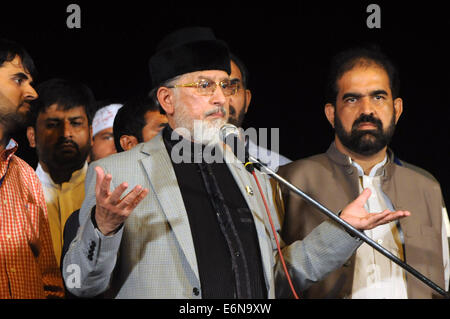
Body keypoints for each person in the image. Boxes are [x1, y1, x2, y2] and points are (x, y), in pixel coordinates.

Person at [62, 27, 409, 299]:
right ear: (167, 99)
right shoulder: (120, 171)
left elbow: (277, 277)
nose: (220, 98)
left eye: (226, 86)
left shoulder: (249, 172)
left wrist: (343, 230)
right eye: (204, 86)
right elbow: (81, 284)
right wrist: (103, 228)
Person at [279, 46, 450, 299]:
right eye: (352, 99)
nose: (367, 110)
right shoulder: (290, 180)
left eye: (379, 97)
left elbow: (444, 278)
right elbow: (268, 279)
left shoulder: (426, 186)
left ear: (397, 109)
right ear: (331, 113)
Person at [0, 38, 64, 298]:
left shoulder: (26, 174)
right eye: (18, 80)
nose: (32, 93)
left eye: (30, 82)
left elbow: (50, 281)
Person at [26, 78, 95, 265]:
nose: (66, 133)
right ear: (32, 136)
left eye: (76, 123)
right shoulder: (13, 196)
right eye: (52, 124)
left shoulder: (109, 192)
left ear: (91, 133)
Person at [228, 53, 291, 171]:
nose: (221, 97)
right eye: (207, 86)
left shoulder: (280, 172)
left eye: (231, 87)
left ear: (247, 100)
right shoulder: (183, 163)